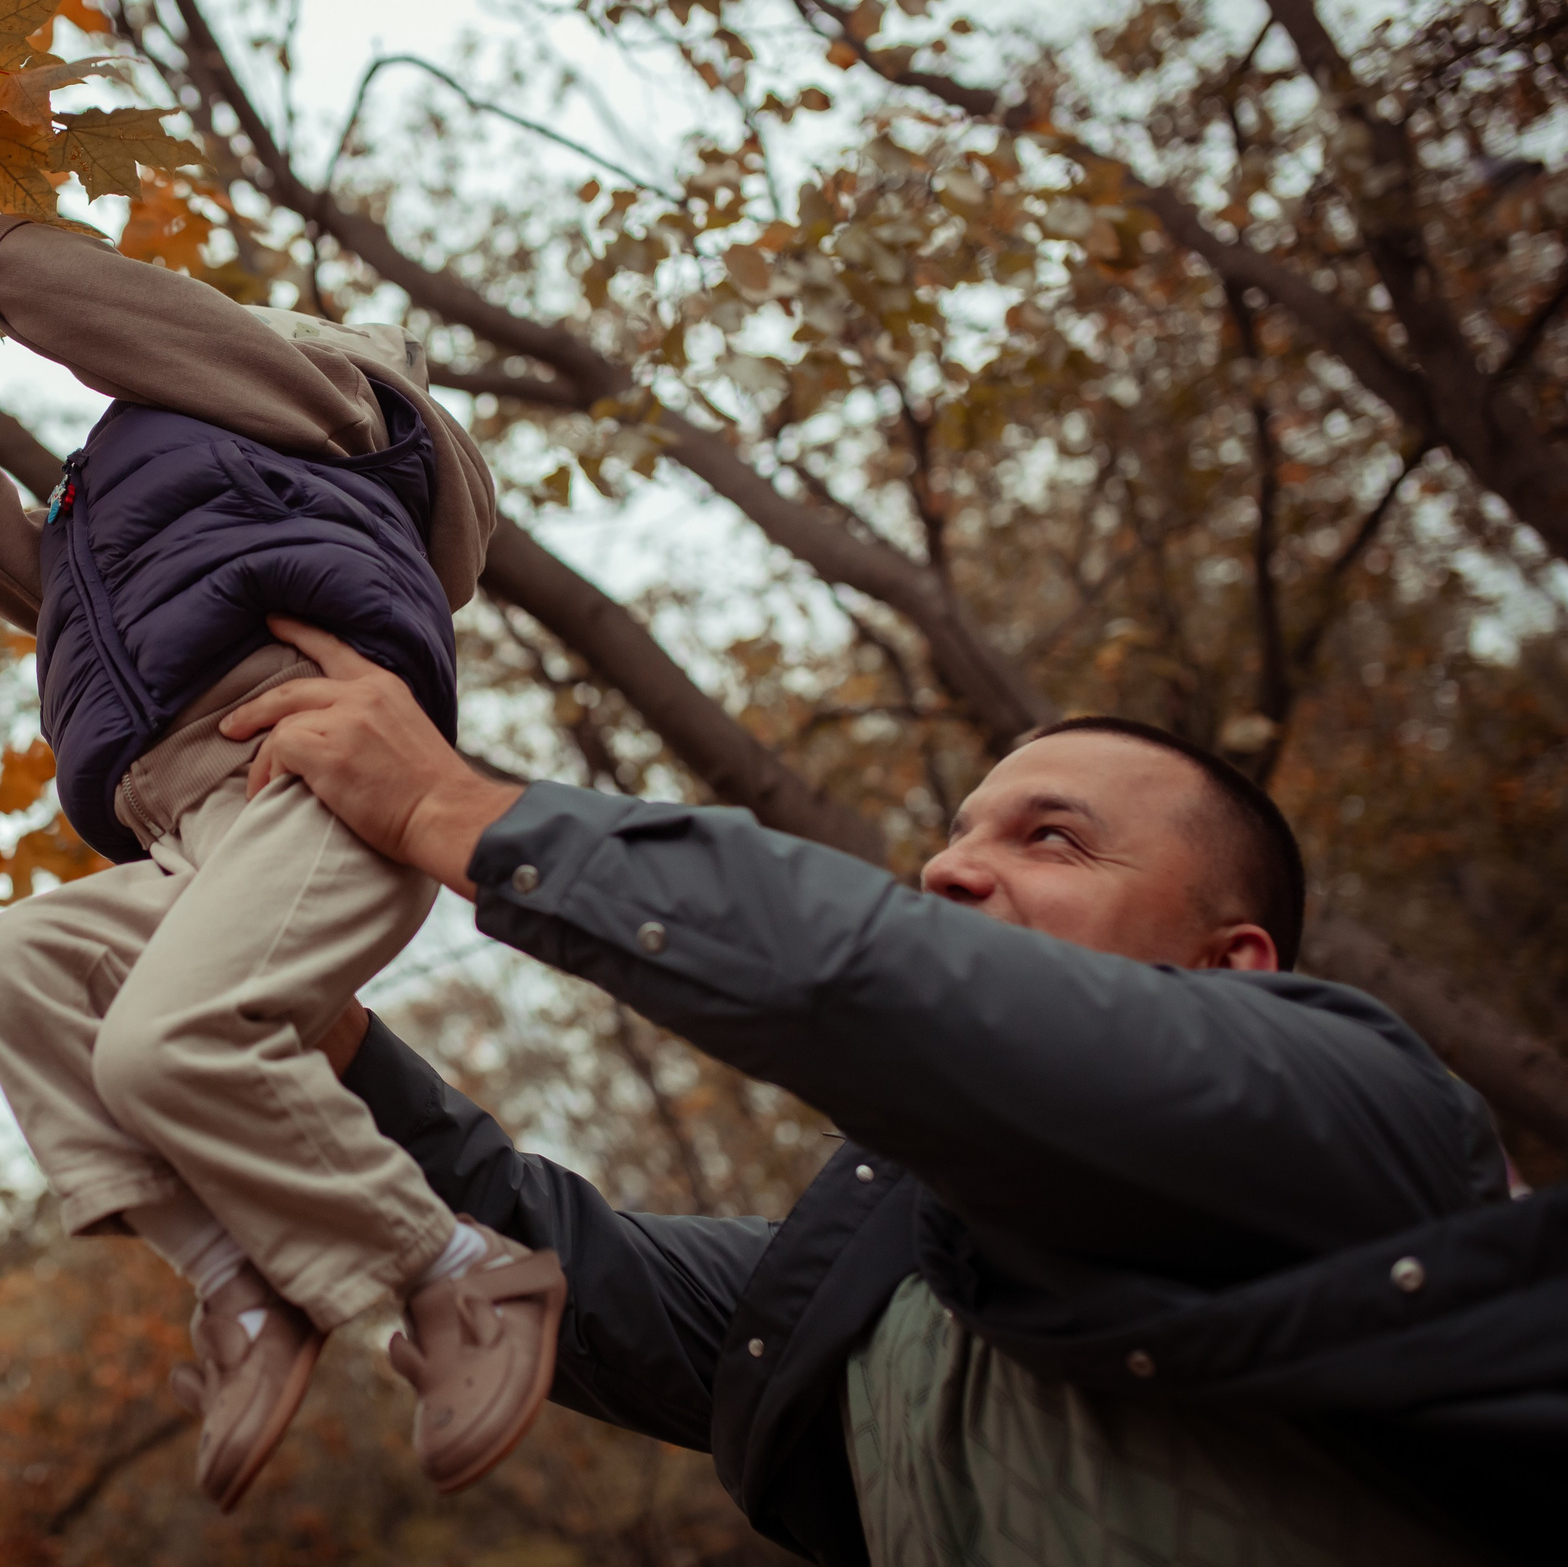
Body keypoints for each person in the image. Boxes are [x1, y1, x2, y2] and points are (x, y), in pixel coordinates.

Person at [222, 616, 1562, 1566]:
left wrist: (460, 812)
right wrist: (320, 1039)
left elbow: (879, 981)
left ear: (1235, 964)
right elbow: (543, 1264)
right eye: (958, 833)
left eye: (1052, 839)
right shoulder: (860, 1294)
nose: (951, 871)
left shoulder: (1358, 1101)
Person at [0, 183, 566, 1512]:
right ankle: (242, 1283)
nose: (152, 377)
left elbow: (140, 320)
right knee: (11, 974)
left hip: (308, 790)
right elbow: (40, 595)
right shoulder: (171, 499)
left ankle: (456, 1273)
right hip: (186, 830)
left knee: (166, 1042)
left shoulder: (319, 403)